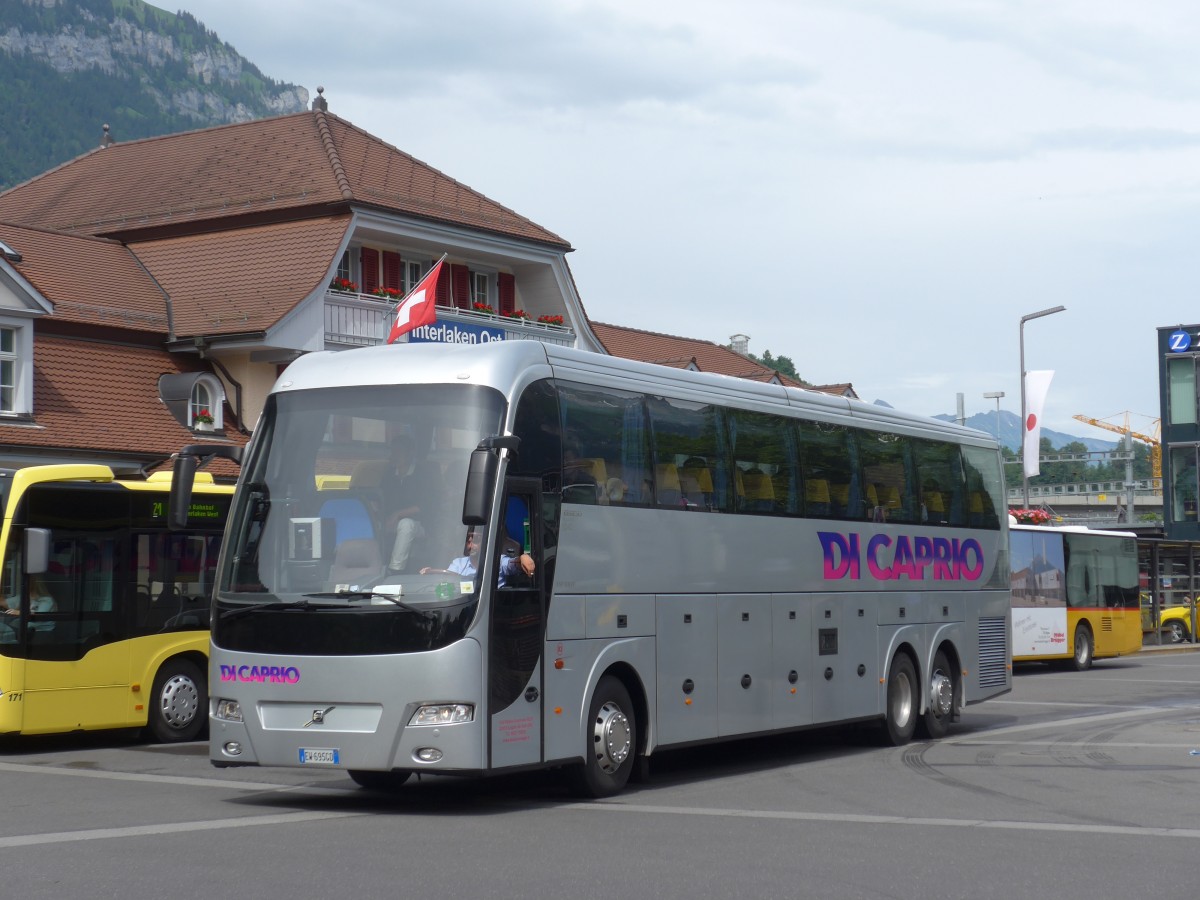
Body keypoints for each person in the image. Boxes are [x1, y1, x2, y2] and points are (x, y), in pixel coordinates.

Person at [382, 435, 441, 574]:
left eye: (399, 452)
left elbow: (424, 506)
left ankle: (395, 570)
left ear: (409, 454)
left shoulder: (422, 475)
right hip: (390, 521)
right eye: (393, 451)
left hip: (419, 525)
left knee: (406, 524)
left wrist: (397, 514)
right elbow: (381, 498)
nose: (394, 455)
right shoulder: (389, 475)